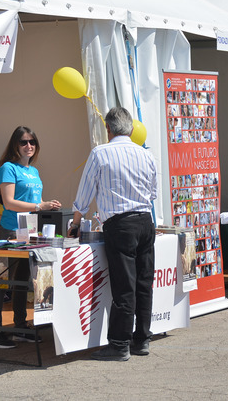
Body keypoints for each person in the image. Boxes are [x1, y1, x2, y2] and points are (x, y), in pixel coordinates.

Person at [69, 107, 158, 361]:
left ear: (108, 129)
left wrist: (75, 223)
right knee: (143, 283)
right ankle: (141, 339)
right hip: (144, 221)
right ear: (130, 128)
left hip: (120, 225)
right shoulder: (146, 154)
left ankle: (119, 343)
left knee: (124, 285)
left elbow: (84, 194)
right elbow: (152, 193)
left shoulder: (100, 153)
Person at [0, 126, 61, 349]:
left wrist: (48, 206)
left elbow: (34, 200)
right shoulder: (7, 168)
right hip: (10, 230)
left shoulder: (34, 171)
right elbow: (9, 203)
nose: (29, 146)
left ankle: (20, 326)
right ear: (14, 145)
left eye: (32, 142)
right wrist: (41, 205)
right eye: (23, 142)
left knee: (22, 280)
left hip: (29, 230)